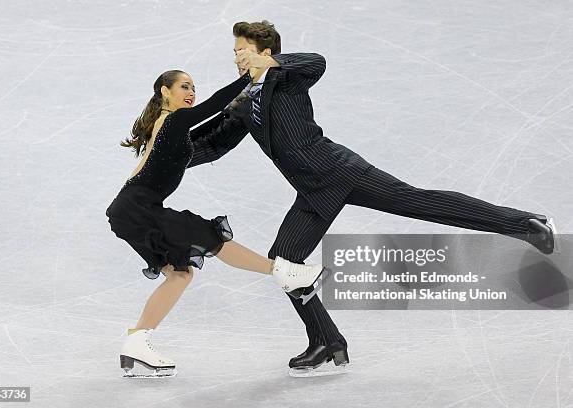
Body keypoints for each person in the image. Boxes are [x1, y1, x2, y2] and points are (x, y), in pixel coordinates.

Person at [184, 20, 559, 376]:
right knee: (286, 261)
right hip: (314, 191)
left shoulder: (288, 77)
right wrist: (165, 158)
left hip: (340, 171)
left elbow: (317, 61)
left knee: (421, 201)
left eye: (243, 51)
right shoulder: (242, 100)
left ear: (265, 51)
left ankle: (525, 225)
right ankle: (327, 341)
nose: (237, 58)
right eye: (234, 52)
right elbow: (213, 145)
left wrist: (273, 62)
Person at [105, 68, 329, 378]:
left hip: (129, 210)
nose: (191, 91)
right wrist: (250, 79)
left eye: (193, 87)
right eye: (184, 86)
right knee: (210, 236)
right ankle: (287, 273)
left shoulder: (173, 127)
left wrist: (237, 107)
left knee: (179, 275)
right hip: (137, 208)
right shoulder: (173, 120)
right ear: (164, 92)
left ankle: (137, 343)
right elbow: (212, 105)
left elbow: (213, 118)